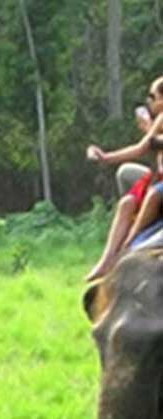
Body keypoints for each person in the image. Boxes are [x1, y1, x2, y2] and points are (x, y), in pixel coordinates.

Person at [86, 76, 163, 280]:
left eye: (153, 97)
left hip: (160, 186)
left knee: (154, 195)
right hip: (159, 177)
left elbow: (154, 143)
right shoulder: (160, 120)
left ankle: (128, 245)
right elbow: (140, 148)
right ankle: (106, 260)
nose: (150, 102)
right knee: (126, 201)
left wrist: (151, 134)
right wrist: (106, 157)